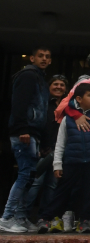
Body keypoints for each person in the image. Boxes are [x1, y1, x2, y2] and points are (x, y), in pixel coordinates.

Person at [35, 83, 90, 234]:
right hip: (71, 161)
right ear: (79, 99)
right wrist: (57, 165)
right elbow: (60, 143)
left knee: (89, 193)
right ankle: (46, 219)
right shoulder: (68, 119)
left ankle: (85, 221)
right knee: (61, 191)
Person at [2, 47, 51, 233]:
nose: (44, 59)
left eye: (47, 56)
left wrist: (44, 142)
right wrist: (22, 129)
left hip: (33, 134)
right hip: (25, 133)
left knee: (30, 175)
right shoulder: (28, 76)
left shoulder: (40, 79)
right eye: (41, 56)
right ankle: (7, 217)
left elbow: (43, 112)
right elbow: (19, 104)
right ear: (32, 58)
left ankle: (20, 217)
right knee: (25, 174)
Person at [23, 75, 69, 213]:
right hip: (41, 150)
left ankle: (46, 217)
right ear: (49, 87)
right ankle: (23, 215)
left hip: (58, 152)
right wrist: (41, 146)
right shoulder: (41, 103)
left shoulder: (68, 107)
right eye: (55, 84)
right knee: (35, 184)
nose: (58, 87)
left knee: (52, 185)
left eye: (62, 85)